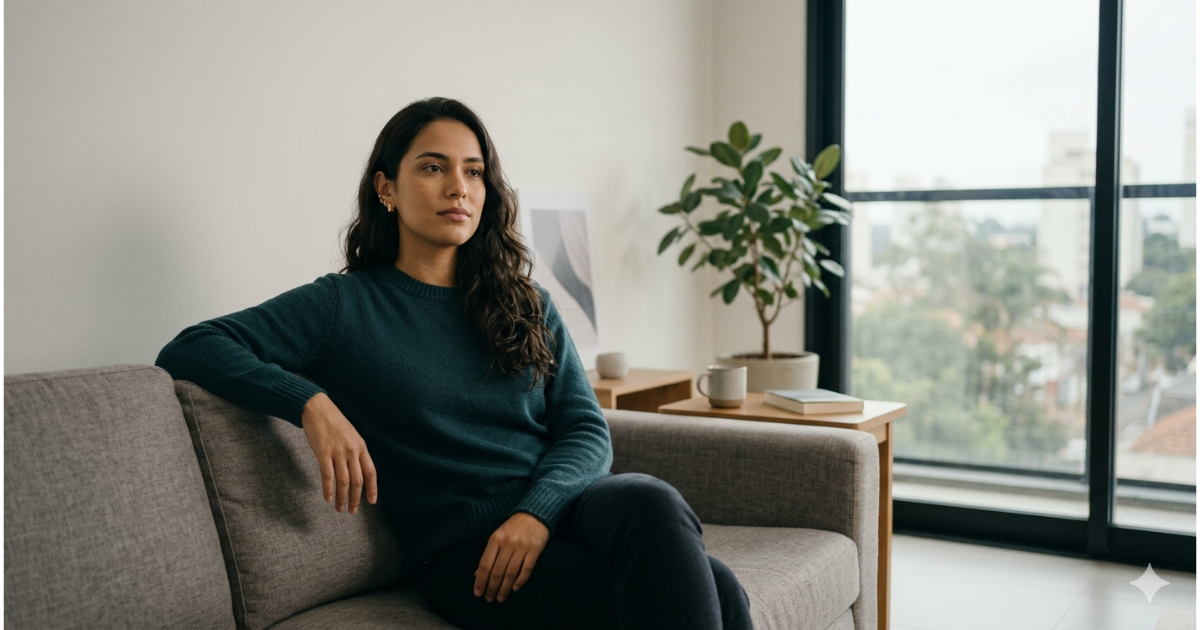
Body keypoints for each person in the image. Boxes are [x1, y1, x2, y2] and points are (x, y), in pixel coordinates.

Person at [155, 97, 753, 630]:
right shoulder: (344, 305)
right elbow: (192, 346)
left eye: (473, 172)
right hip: (469, 557)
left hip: (562, 515)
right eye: (433, 167)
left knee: (649, 499)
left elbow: (585, 429)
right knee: (719, 590)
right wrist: (309, 403)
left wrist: (536, 513)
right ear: (386, 188)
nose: (458, 188)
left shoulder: (525, 302)